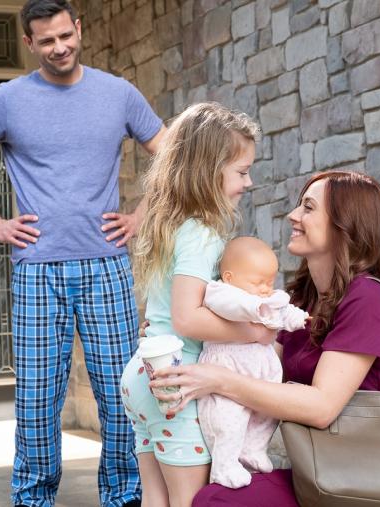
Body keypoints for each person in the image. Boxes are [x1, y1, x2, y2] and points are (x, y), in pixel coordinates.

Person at [0, 0, 166, 505]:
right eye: (47, 40)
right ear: (29, 43)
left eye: (66, 35)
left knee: (121, 392)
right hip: (37, 271)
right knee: (38, 398)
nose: (60, 47)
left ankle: (124, 496)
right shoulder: (7, 100)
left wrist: (141, 215)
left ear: (78, 28)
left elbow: (171, 153)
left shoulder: (117, 94)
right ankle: (33, 498)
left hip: (106, 265)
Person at [149, 171, 380, 506]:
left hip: (361, 480)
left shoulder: (367, 298)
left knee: (217, 502)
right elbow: (254, 359)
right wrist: (169, 335)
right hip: (317, 473)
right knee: (208, 491)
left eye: (308, 208)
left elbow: (321, 407)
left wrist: (218, 380)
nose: (293, 215)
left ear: (345, 225)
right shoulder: (303, 298)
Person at [118, 102, 275, 507]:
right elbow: (187, 318)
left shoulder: (170, 225)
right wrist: (255, 332)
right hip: (178, 384)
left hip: (146, 376)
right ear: (209, 171)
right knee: (191, 501)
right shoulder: (201, 234)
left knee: (155, 498)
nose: (248, 182)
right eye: (241, 171)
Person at [198, 236, 307, 488]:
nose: (266, 289)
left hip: (261, 369)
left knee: (268, 414)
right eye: (258, 282)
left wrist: (296, 317)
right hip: (228, 366)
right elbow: (233, 307)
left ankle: (253, 449)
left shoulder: (266, 298)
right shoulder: (220, 292)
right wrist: (261, 307)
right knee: (229, 419)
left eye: (270, 282)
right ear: (229, 277)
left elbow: (283, 310)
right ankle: (224, 466)